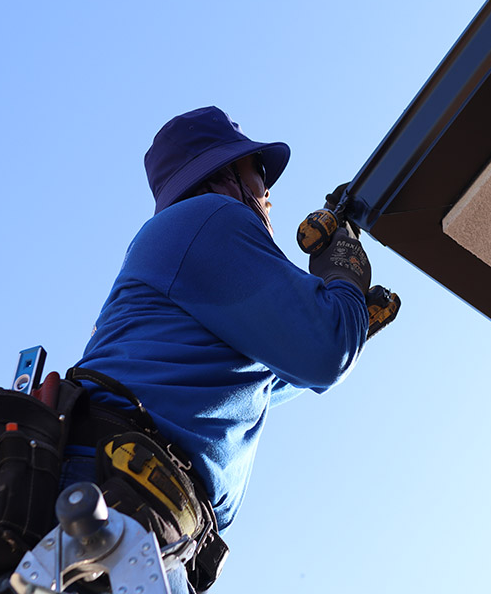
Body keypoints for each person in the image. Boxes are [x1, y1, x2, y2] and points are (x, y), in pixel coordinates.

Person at [64, 106, 374, 592]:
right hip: (122, 502)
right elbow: (325, 353)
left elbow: (264, 378)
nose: (268, 192)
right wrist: (343, 277)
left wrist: (346, 314)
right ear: (225, 172)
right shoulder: (211, 216)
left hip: (126, 501)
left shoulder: (184, 237)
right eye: (259, 171)